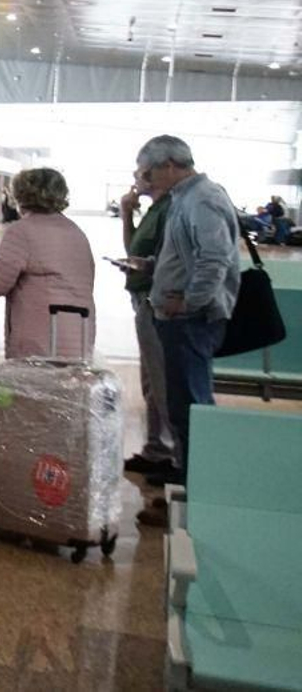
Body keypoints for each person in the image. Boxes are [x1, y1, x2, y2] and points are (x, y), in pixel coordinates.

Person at [137, 136, 241, 525]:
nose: (145, 179)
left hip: (191, 322)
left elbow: (215, 258)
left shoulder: (204, 199)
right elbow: (187, 254)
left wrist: (190, 302)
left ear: (168, 165)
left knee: (193, 408)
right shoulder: (185, 198)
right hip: (178, 319)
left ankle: (197, 498)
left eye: (148, 172)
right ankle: (185, 480)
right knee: (182, 409)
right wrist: (151, 267)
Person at [0, 168, 96, 360]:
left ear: (21, 195)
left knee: (33, 388)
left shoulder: (22, 231)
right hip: (79, 334)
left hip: (41, 339)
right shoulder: (75, 231)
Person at [115, 167, 177, 482]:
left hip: (159, 301)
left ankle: (170, 455)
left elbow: (173, 261)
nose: (135, 177)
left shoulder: (174, 208)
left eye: (140, 171)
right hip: (142, 296)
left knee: (162, 379)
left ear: (158, 171)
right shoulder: (154, 209)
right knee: (152, 380)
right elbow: (133, 251)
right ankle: (156, 448)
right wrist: (127, 213)